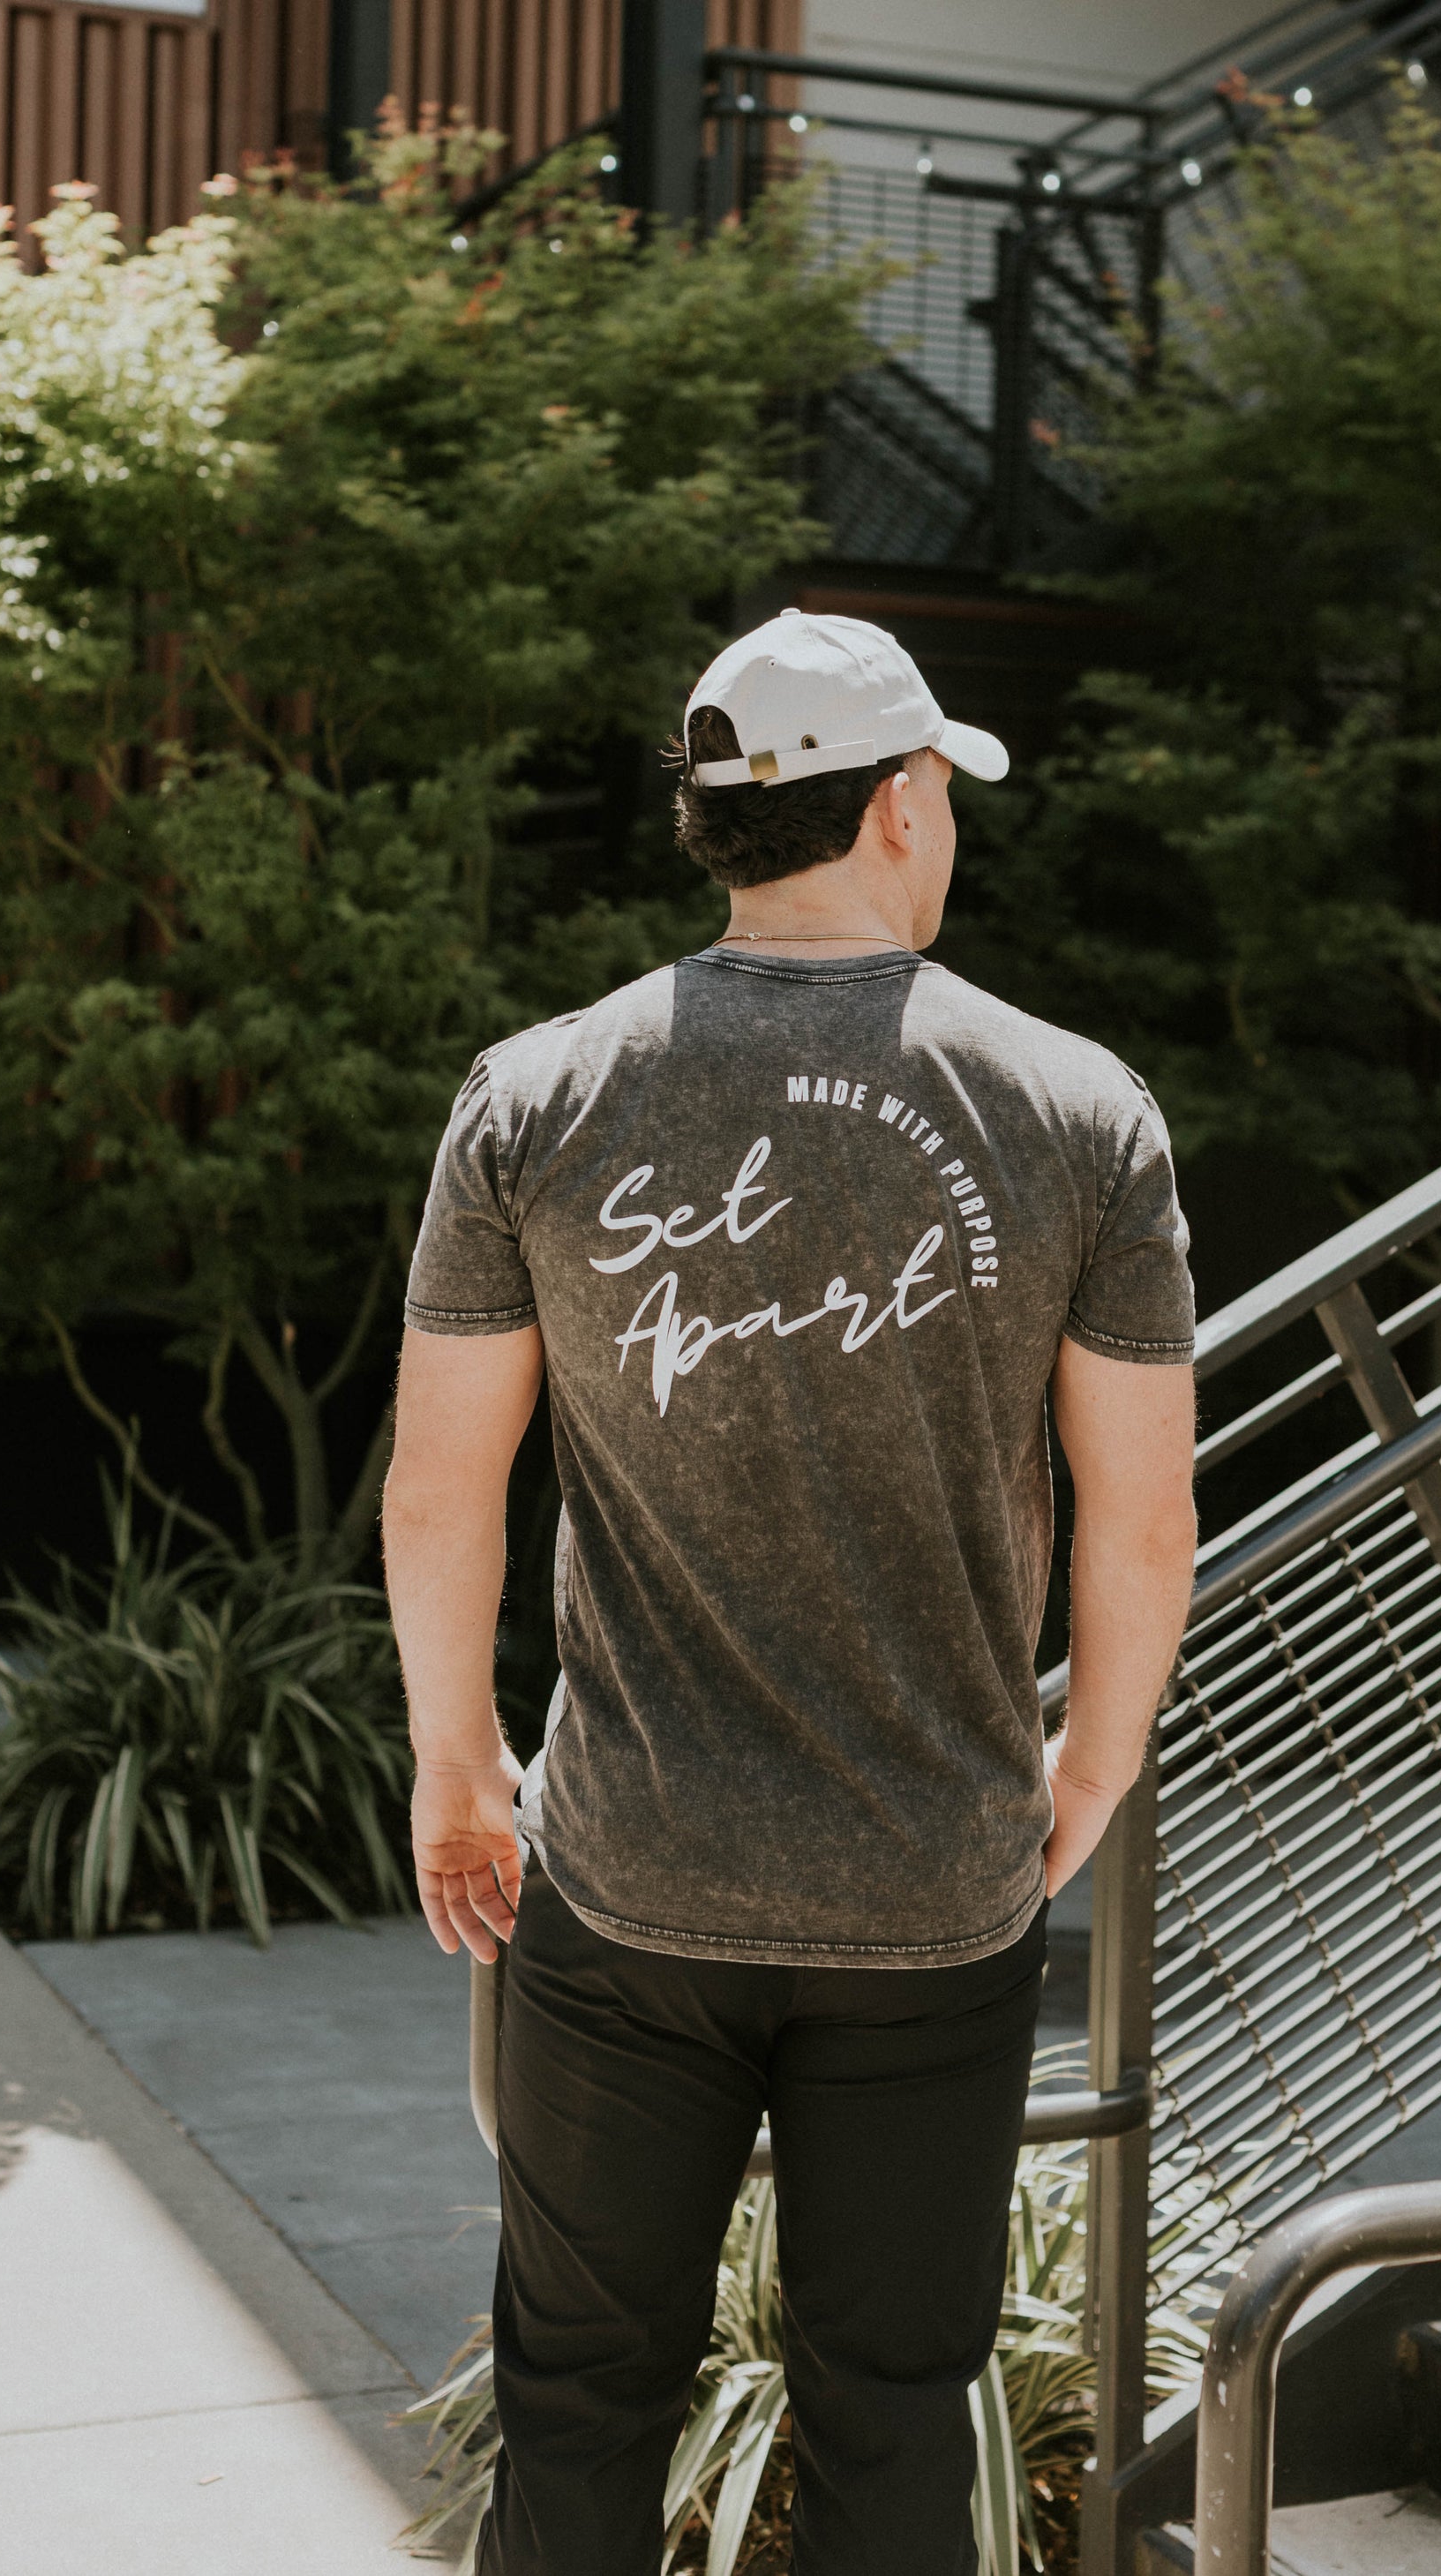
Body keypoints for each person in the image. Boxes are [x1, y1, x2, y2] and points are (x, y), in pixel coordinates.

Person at [382, 609, 1197, 2576]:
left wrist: (456, 1762)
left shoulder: (537, 1093)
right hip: (932, 1882)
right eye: (944, 793)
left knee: (579, 2400)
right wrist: (1085, 1769)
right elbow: (1140, 1514)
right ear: (902, 803)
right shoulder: (1079, 1111)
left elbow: (438, 1482)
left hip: (626, 1875)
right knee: (895, 2410)